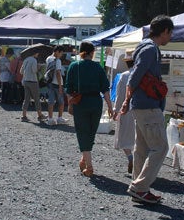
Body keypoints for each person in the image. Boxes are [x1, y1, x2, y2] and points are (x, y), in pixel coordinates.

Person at [120, 14, 173, 204]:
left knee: (142, 148)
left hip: (141, 105)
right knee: (160, 147)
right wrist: (128, 97)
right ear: (165, 31)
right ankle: (140, 187)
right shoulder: (151, 49)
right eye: (170, 33)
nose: (170, 37)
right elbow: (136, 74)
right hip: (148, 105)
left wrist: (128, 99)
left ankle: (138, 187)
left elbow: (135, 74)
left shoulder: (144, 46)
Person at [65, 41, 113, 177]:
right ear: (92, 52)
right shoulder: (98, 67)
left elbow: (68, 88)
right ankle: (84, 160)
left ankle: (89, 166)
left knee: (82, 132)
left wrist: (70, 103)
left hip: (80, 103)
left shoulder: (74, 66)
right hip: (96, 103)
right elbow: (105, 89)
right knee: (91, 132)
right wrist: (110, 106)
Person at [113, 49, 136, 174]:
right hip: (141, 110)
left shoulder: (124, 75)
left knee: (124, 137)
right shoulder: (143, 75)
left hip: (126, 109)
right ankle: (138, 161)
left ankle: (130, 157)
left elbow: (120, 95)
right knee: (139, 138)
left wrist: (116, 110)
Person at [20, 51, 46, 123]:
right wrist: (39, 67)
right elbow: (34, 71)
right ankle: (39, 115)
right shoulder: (34, 60)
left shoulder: (26, 60)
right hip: (33, 81)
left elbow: (21, 71)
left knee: (26, 98)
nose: (38, 53)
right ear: (34, 53)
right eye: (37, 52)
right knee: (36, 99)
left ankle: (24, 115)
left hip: (25, 81)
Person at [45, 46, 67, 125]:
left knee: (51, 101)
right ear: (57, 51)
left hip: (49, 82)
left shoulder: (48, 59)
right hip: (57, 84)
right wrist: (61, 86)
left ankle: (50, 119)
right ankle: (59, 118)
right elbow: (58, 73)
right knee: (61, 102)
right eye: (61, 53)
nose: (61, 55)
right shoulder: (57, 60)